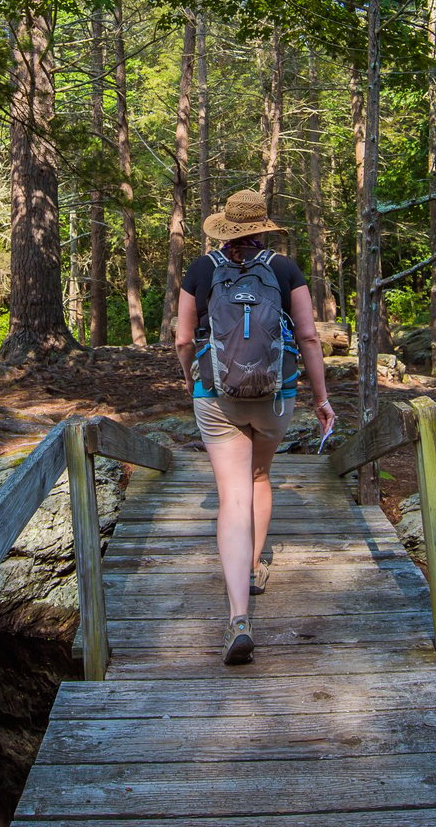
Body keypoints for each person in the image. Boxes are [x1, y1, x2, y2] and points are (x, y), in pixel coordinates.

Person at [174, 188, 334, 664]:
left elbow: (184, 339)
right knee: (260, 477)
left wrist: (190, 380)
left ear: (225, 227)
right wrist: (321, 399)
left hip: (217, 395)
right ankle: (252, 569)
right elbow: (307, 335)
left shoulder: (202, 270)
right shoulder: (283, 269)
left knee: (232, 496)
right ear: (263, 227)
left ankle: (238, 617)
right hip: (276, 394)